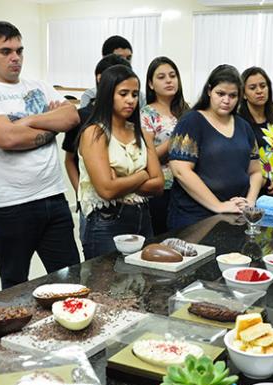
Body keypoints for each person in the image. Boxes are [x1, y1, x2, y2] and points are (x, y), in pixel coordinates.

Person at [0, 21, 80, 289]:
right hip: (9, 206)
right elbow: (8, 138)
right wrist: (50, 124)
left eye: (19, 50)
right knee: (16, 287)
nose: (15, 57)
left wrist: (28, 121)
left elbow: (72, 115)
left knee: (71, 279)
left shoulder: (39, 86)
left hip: (53, 197)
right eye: (6, 51)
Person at [77, 64, 163, 259]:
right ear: (108, 95)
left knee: (144, 284)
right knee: (106, 287)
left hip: (142, 217)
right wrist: (142, 174)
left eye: (134, 94)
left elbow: (158, 185)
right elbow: (106, 190)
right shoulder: (94, 133)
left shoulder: (142, 133)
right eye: (123, 94)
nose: (130, 100)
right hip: (107, 220)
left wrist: (121, 181)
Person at [167, 64, 262, 230]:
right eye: (221, 93)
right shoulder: (191, 122)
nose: (226, 100)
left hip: (235, 215)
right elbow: (181, 171)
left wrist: (250, 202)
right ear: (209, 91)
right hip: (195, 219)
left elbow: (255, 171)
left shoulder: (244, 126)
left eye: (233, 95)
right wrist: (218, 205)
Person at [62, 54, 131, 195]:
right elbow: (69, 160)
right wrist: (80, 193)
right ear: (100, 79)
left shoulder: (128, 117)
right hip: (92, 200)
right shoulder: (82, 116)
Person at [141, 56, 190, 235]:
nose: (169, 80)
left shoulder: (187, 110)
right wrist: (176, 140)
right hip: (162, 189)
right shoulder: (146, 114)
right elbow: (147, 156)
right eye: (161, 77)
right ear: (151, 84)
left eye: (172, 75)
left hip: (189, 185)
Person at [238, 66, 273, 197]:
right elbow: (241, 163)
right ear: (243, 94)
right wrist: (266, 183)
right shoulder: (239, 122)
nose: (259, 91)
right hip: (254, 192)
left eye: (263, 86)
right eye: (252, 88)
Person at [80, 35, 137, 107]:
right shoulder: (90, 95)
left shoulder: (139, 97)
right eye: (119, 57)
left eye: (129, 58)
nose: (126, 62)